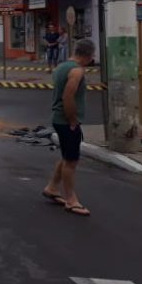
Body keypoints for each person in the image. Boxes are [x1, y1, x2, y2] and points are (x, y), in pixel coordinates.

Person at [42, 37, 95, 216]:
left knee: (66, 156)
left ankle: (52, 188)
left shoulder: (61, 67)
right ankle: (71, 200)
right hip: (66, 120)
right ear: (88, 55)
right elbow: (68, 97)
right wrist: (72, 120)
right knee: (71, 162)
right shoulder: (77, 71)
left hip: (58, 118)